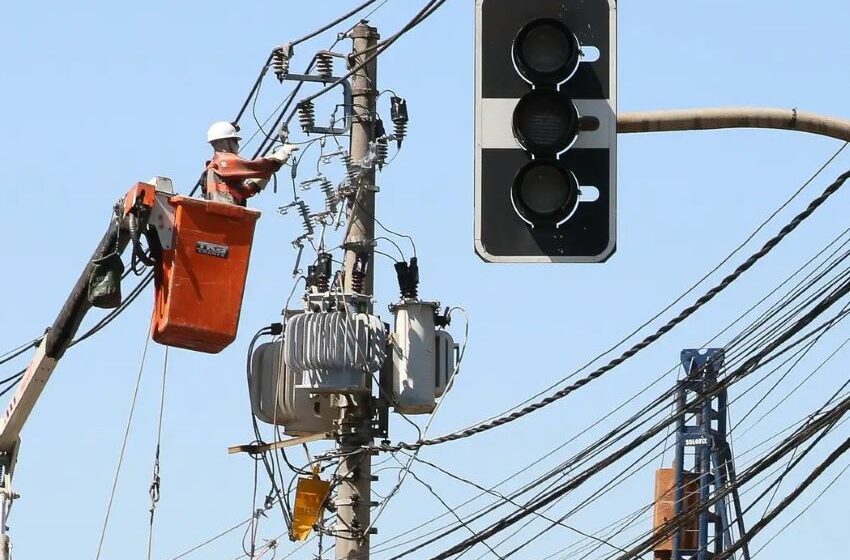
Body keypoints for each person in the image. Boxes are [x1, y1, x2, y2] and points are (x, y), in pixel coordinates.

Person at [204, 121, 297, 206]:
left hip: (225, 217)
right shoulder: (224, 161)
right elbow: (260, 168)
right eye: (235, 141)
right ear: (224, 141)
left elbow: (245, 191)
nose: (238, 145)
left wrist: (263, 177)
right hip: (226, 214)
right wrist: (283, 153)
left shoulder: (213, 168)